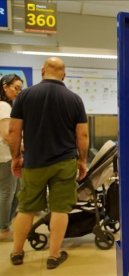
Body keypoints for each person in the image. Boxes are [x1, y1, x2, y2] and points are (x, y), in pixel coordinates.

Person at [8, 57, 89, 269]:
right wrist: (83, 160)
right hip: (64, 163)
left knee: (26, 208)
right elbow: (83, 135)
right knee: (60, 209)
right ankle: (54, 256)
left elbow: (13, 131)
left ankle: (17, 253)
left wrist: (16, 157)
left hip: (34, 162)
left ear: (43, 70)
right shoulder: (74, 99)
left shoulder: (24, 96)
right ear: (64, 74)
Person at [0, 74, 23, 241]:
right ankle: (3, 228)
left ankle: (5, 222)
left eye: (20, 89)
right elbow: (7, 135)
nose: (18, 92)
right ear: (4, 86)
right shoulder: (3, 106)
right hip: (5, 155)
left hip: (7, 154)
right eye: (15, 87)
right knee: (7, 192)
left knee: (15, 191)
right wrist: (19, 150)